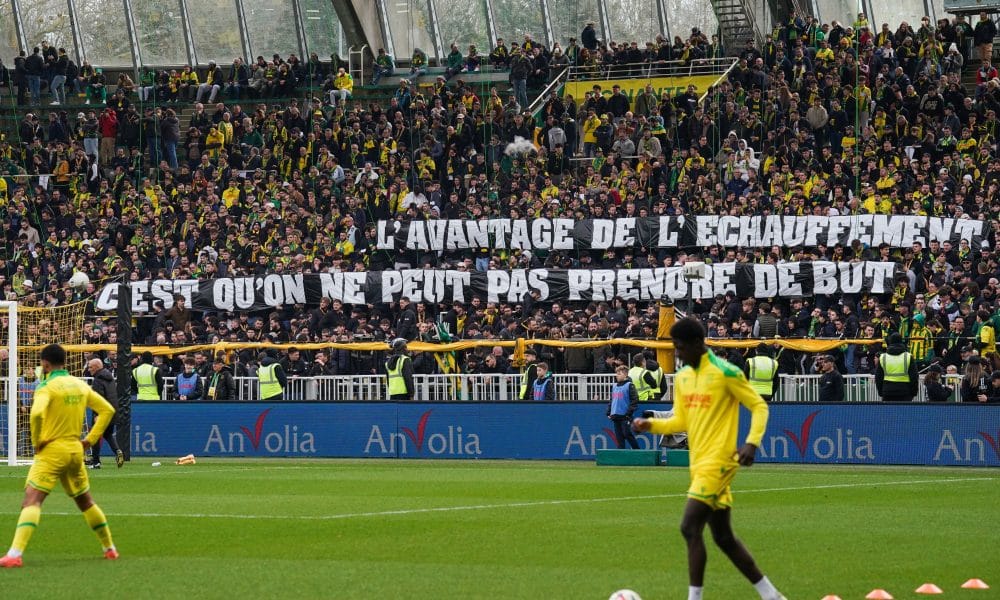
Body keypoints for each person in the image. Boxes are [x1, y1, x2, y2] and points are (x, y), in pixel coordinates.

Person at [632, 318, 784, 600]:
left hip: (720, 462)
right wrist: (650, 425)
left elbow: (759, 406)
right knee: (723, 538)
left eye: (679, 348)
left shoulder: (726, 373)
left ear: (696, 344)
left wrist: (751, 443)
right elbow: (680, 421)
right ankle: (772, 596)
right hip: (698, 463)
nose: (676, 354)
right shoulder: (685, 378)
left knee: (689, 527)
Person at [0, 344, 118, 568]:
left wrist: (37, 442)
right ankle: (109, 548)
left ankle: (14, 554)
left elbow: (36, 414)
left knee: (31, 500)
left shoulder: (47, 387)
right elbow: (108, 410)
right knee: (85, 501)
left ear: (45, 364)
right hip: (75, 450)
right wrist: (89, 440)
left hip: (52, 451)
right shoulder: (79, 385)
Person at [86, 358, 123, 469]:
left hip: (102, 412)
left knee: (95, 436)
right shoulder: (109, 377)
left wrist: (97, 414)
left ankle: (96, 462)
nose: (89, 369)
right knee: (108, 434)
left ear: (97, 367)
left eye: (90, 367)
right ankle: (118, 451)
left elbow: (99, 398)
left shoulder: (98, 379)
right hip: (112, 411)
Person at [875, 333, 918, 402]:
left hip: (887, 391)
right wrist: (913, 392)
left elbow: (878, 377)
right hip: (905, 391)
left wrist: (881, 392)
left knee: (889, 412)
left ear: (890, 342)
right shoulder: (908, 356)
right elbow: (914, 377)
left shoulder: (883, 357)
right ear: (901, 342)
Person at [607, 365, 639, 449]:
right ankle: (621, 454)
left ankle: (637, 451)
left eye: (619, 374)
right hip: (616, 415)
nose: (617, 375)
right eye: (616, 373)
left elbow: (634, 400)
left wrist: (629, 413)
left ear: (625, 375)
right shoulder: (614, 386)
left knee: (627, 434)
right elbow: (612, 400)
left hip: (625, 415)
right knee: (619, 437)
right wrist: (609, 411)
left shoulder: (629, 385)